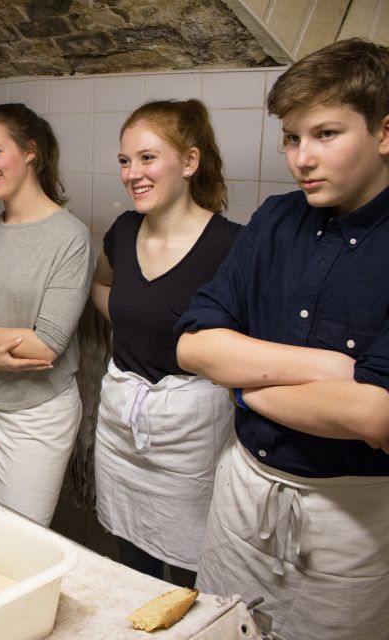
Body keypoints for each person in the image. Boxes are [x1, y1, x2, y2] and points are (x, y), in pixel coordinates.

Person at [175, 38, 389, 640]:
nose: (302, 158)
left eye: (326, 134)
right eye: (292, 139)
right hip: (242, 492)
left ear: (384, 133)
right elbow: (194, 343)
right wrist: (327, 370)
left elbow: (376, 413)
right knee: (218, 628)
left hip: (353, 516)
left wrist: (241, 384)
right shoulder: (274, 218)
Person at [90, 99, 241, 588]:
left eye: (148, 158)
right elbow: (103, 285)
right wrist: (139, 322)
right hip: (122, 426)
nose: (132, 173)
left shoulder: (233, 246)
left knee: (198, 565)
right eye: (124, 161)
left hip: (192, 437)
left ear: (190, 162)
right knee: (132, 562)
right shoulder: (123, 230)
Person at [0, 103, 94, 526]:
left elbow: (46, 343)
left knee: (24, 533)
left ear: (30, 152)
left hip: (37, 414)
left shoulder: (69, 237)